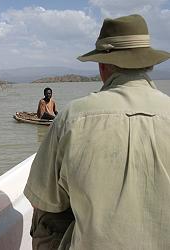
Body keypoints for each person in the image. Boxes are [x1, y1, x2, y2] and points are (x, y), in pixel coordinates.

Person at [24, 14, 170, 249]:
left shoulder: (73, 116)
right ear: (149, 64)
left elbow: (42, 202)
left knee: (46, 211)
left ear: (102, 66)